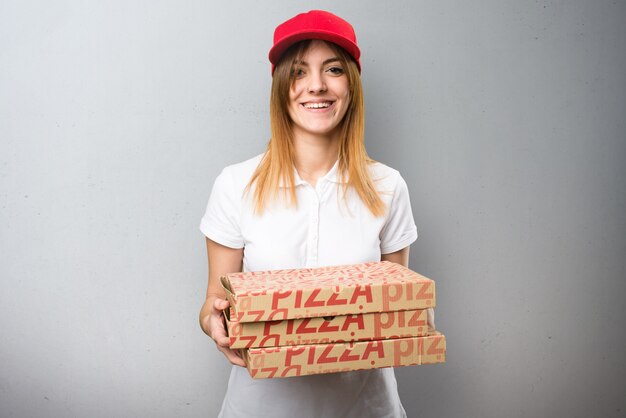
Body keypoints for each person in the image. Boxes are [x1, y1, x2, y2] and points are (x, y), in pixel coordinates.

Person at [199, 10, 433, 418]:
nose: (316, 86)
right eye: (299, 72)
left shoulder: (388, 186)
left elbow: (400, 302)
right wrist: (215, 324)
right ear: (279, 87)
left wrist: (419, 317)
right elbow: (214, 302)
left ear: (352, 85)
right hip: (261, 406)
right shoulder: (235, 184)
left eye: (333, 69)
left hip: (366, 407)